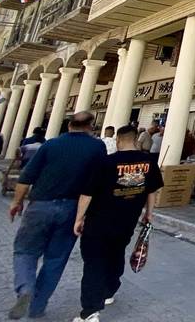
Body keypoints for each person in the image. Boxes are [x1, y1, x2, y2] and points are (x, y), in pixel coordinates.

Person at [7, 112, 107, 319]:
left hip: (40, 205)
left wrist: (17, 202)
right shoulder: (98, 147)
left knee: (25, 251)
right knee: (56, 259)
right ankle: (37, 306)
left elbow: (26, 177)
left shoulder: (50, 145)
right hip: (73, 208)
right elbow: (100, 181)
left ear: (69, 125)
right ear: (91, 126)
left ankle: (25, 288)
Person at [72, 125, 161, 322]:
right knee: (116, 253)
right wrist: (149, 214)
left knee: (94, 264)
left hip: (99, 222)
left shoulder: (105, 162)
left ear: (119, 140)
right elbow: (152, 191)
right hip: (127, 221)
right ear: (136, 140)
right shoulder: (149, 162)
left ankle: (90, 311)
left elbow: (87, 194)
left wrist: (79, 218)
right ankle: (110, 290)